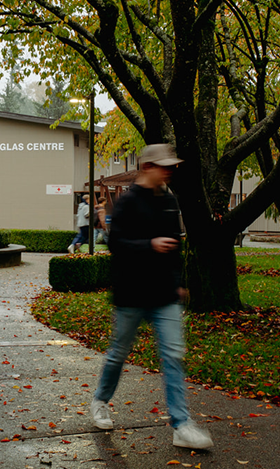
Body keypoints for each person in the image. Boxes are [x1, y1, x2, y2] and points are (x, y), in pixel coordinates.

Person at [89, 143, 213, 450]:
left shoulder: (170, 202)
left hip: (165, 295)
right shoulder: (128, 202)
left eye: (172, 166)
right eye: (164, 166)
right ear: (148, 168)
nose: (170, 170)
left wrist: (179, 282)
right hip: (131, 294)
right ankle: (100, 401)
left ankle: (181, 425)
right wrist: (149, 245)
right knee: (119, 353)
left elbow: (176, 247)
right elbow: (116, 245)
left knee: (172, 355)